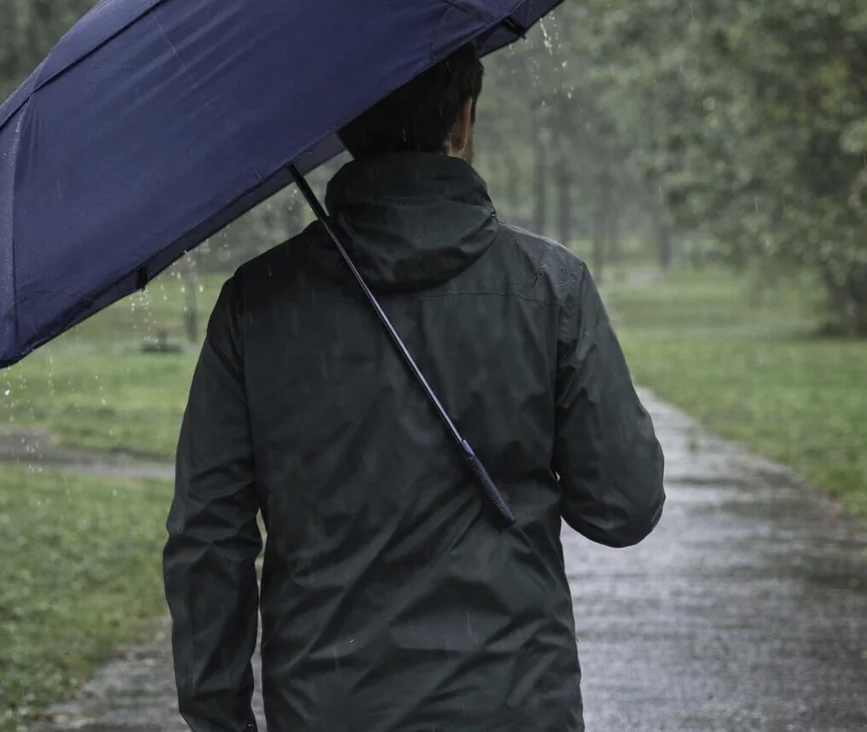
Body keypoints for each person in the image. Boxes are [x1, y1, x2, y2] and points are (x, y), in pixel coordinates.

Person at [164, 42, 665, 732]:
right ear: (463, 120)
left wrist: (218, 716)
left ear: (343, 128)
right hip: (514, 706)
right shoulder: (550, 287)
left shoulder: (256, 303)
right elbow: (623, 508)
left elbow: (208, 536)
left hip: (326, 708)